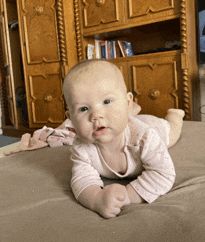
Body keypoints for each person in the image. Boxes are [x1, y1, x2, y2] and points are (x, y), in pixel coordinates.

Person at [63, 59, 184, 219]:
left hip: (153, 126)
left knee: (172, 134)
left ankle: (175, 115)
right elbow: (82, 179)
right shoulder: (82, 147)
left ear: (128, 103)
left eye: (107, 101)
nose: (96, 115)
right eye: (83, 109)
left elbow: (163, 173)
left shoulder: (145, 137)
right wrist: (96, 200)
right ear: (71, 118)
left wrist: (127, 195)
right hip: (128, 121)